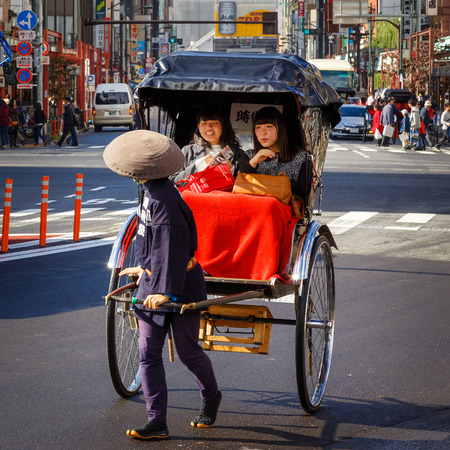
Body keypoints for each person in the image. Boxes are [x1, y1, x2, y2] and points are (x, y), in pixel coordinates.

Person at [103, 130, 222, 440]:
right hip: (153, 280)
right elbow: (147, 238)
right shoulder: (150, 192)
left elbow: (171, 246)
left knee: (188, 352)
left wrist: (164, 290)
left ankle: (211, 395)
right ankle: (157, 421)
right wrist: (143, 266)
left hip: (179, 282)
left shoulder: (164, 198)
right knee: (148, 353)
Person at [170, 107, 256, 184]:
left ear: (224, 126)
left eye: (214, 123)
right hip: (192, 200)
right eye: (204, 123)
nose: (209, 128)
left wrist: (231, 169)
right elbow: (173, 181)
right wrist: (198, 165)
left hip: (223, 200)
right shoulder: (188, 151)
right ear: (199, 127)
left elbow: (249, 183)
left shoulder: (237, 153)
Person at [247, 106, 307, 199]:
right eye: (258, 127)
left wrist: (266, 183)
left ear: (280, 129)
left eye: (269, 126)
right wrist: (252, 163)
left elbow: (302, 190)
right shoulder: (250, 156)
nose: (263, 132)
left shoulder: (300, 157)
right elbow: (240, 184)